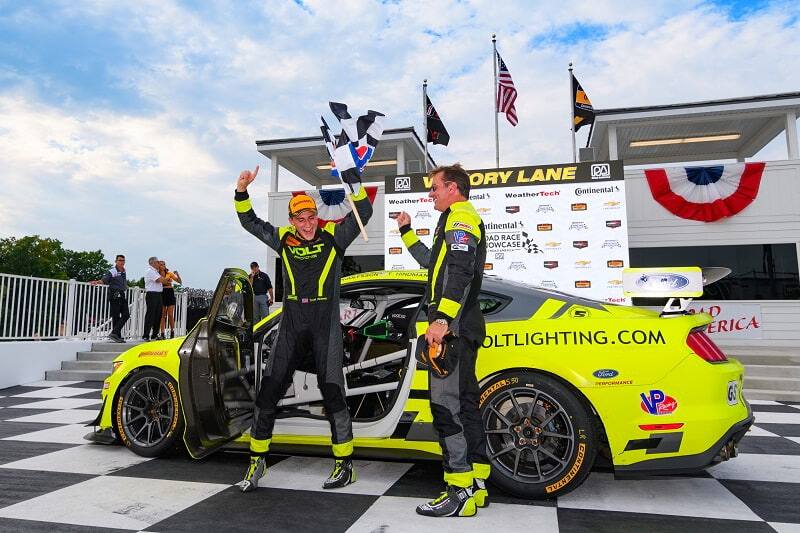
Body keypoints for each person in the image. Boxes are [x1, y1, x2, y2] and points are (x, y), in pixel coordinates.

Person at [234, 164, 372, 493]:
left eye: (311, 217)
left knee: (333, 393)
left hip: (325, 324)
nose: (307, 224)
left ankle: (345, 465)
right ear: (292, 221)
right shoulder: (283, 238)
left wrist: (354, 183)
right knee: (268, 391)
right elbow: (248, 221)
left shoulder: (334, 237)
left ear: (316, 217)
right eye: (301, 219)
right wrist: (241, 191)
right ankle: (257, 460)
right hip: (293, 323)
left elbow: (363, 210)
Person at [395, 163, 490, 517]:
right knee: (465, 405)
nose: (430, 194)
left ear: (452, 188)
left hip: (455, 328)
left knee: (446, 408)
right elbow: (434, 263)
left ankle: (459, 489)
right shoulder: (453, 221)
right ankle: (476, 484)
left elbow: (461, 272)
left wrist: (441, 319)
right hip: (464, 326)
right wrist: (406, 232)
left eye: (434, 188)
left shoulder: (460, 216)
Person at [90, 254, 129, 343]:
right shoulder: (113, 270)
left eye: (123, 260)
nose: (121, 262)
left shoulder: (123, 270)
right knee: (116, 316)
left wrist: (125, 286)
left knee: (125, 315)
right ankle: (116, 335)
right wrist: (97, 282)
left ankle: (115, 334)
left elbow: (121, 282)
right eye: (119, 260)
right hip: (115, 294)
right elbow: (105, 279)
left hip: (121, 294)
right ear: (116, 261)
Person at [143, 257, 168, 341]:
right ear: (153, 263)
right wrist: (166, 279)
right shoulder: (150, 271)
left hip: (158, 295)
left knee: (158, 315)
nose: (159, 264)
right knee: (150, 315)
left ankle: (154, 334)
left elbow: (163, 280)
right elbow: (160, 280)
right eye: (157, 262)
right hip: (152, 294)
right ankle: (146, 335)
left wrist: (165, 279)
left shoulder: (156, 272)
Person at [159, 260, 182, 339]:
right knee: (162, 315)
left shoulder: (169, 273)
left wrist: (177, 274)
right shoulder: (157, 274)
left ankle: (172, 331)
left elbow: (179, 282)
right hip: (162, 293)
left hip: (169, 292)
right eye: (161, 264)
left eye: (164, 264)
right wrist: (166, 281)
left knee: (170, 315)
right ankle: (162, 333)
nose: (163, 266)